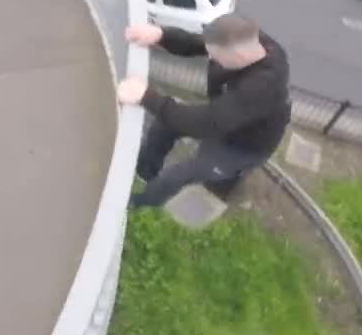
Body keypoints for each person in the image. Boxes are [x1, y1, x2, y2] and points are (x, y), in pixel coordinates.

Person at [118, 14, 291, 209]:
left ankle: (141, 202)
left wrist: (146, 97)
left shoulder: (263, 86)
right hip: (226, 115)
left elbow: (206, 124)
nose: (210, 58)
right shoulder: (246, 42)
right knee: (165, 124)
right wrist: (161, 35)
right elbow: (198, 43)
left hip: (243, 145)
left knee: (181, 173)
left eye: (215, 56)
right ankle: (145, 171)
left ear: (238, 56)